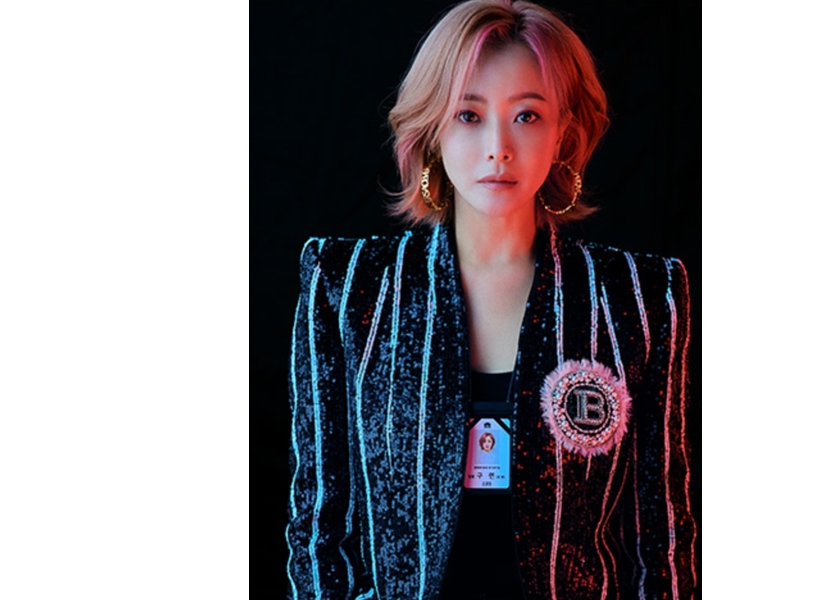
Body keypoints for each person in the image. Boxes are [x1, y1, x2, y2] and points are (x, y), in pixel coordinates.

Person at [286, 1, 695, 598]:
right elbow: (318, 526)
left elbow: (665, 539)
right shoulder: (349, 288)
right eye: (469, 115)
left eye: (527, 115)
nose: (498, 146)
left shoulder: (639, 298)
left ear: (563, 132)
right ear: (432, 129)